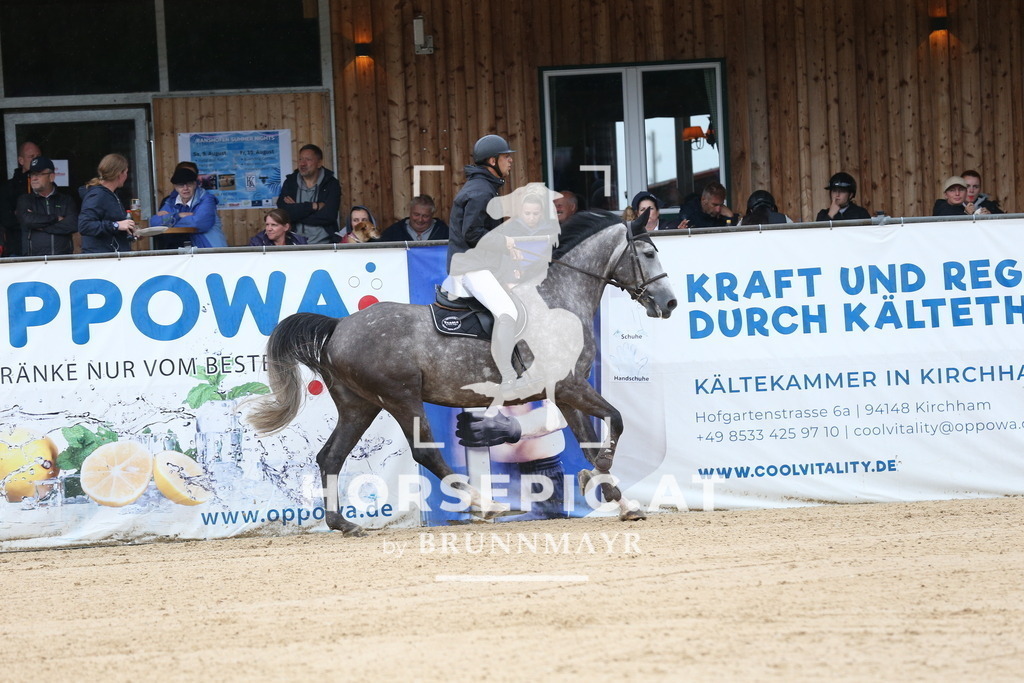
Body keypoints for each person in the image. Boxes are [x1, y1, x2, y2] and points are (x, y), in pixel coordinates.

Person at [444, 134, 519, 399]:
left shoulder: (486, 186)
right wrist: (504, 242)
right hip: (469, 269)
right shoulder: (480, 191)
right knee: (507, 312)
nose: (510, 160)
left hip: (476, 264)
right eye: (506, 156)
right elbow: (471, 233)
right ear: (492, 160)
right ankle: (508, 375)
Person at [277, 143, 342, 243]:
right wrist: (313, 206)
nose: (302, 163)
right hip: (294, 244)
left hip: (325, 245)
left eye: (308, 159)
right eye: (300, 159)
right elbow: (283, 213)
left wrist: (296, 211)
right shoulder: (290, 182)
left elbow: (329, 216)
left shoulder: (331, 183)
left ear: (319, 163)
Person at [15, 156, 78, 256]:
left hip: (63, 261)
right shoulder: (25, 200)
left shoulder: (66, 200)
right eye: (32, 174)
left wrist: (41, 226)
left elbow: (73, 225)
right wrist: (56, 218)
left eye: (39, 174)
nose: (34, 178)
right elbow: (28, 220)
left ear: (51, 177)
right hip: (35, 263)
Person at [149, 167, 227, 247]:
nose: (185, 188)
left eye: (189, 184)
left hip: (210, 250)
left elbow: (199, 223)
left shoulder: (207, 199)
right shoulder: (171, 201)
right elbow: (154, 223)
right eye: (181, 185)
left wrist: (168, 219)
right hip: (187, 250)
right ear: (175, 187)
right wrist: (178, 215)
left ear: (195, 184)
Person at [78, 153, 136, 253]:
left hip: (112, 256)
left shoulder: (112, 194)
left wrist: (131, 231)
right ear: (119, 174)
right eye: (126, 172)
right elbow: (85, 225)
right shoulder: (98, 195)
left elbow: (112, 226)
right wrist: (116, 225)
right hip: (101, 259)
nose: (126, 176)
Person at [1, 141, 42, 256]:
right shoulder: (7, 188)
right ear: (21, 161)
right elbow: (7, 219)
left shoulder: (48, 185)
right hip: (17, 247)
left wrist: (23, 215)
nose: (36, 160)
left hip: (44, 249)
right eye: (31, 157)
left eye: (38, 156)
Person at [378, 195, 450, 242]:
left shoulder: (444, 232)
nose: (420, 220)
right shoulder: (394, 231)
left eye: (425, 216)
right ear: (410, 212)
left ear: (432, 215)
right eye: (416, 214)